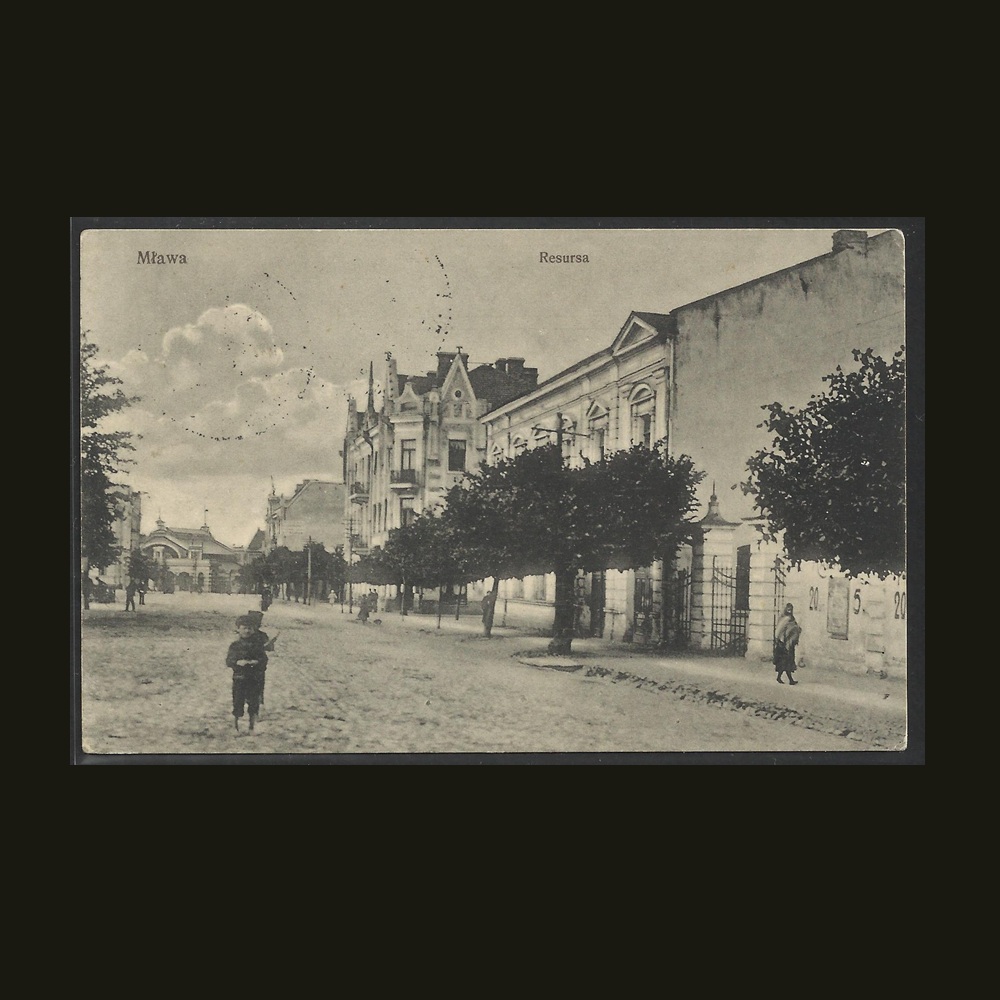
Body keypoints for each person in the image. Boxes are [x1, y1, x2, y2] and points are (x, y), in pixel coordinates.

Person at [226, 614, 268, 732]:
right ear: (238, 629)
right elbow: (229, 661)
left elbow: (264, 660)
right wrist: (237, 662)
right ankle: (236, 725)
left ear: (254, 630)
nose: (247, 631)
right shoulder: (235, 646)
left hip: (254, 678)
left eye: (250, 628)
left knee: (253, 701)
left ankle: (251, 725)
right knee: (238, 701)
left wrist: (256, 662)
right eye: (244, 628)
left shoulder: (257, 646)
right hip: (239, 678)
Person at [774, 603, 802, 685]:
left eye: (791, 609)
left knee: (786, 662)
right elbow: (778, 631)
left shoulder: (792, 618)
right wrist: (780, 640)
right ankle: (790, 680)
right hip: (784, 644)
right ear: (786, 610)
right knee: (786, 661)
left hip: (789, 644)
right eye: (788, 609)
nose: (789, 611)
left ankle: (780, 677)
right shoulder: (785, 619)